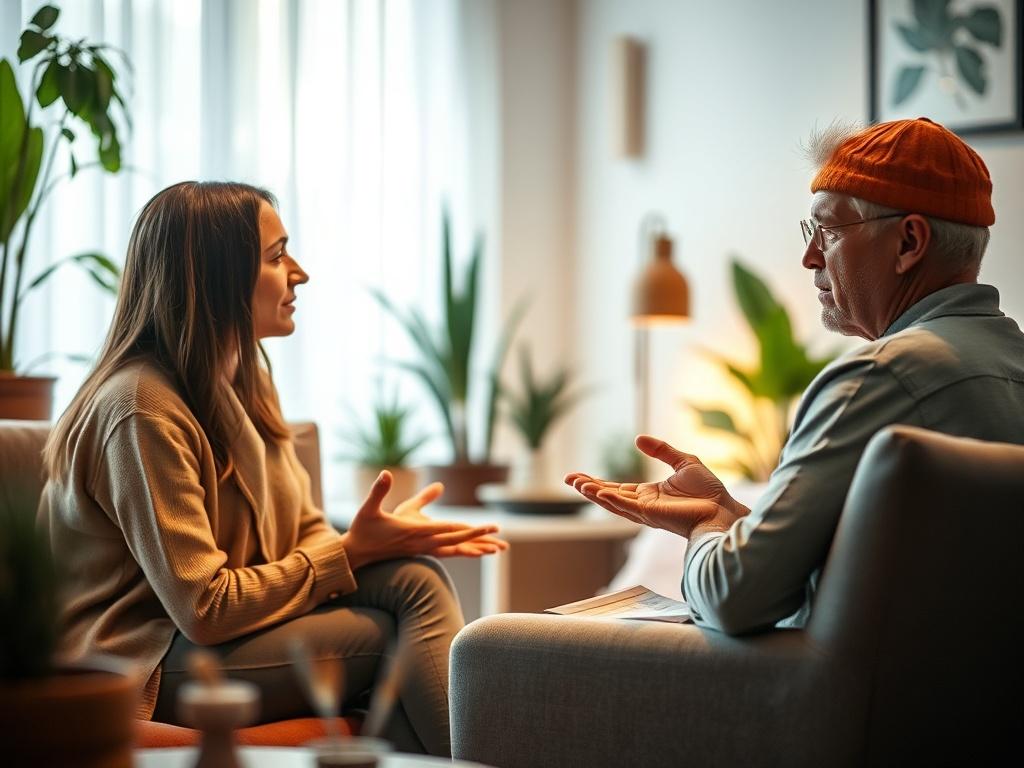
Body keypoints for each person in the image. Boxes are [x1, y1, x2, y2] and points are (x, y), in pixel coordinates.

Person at [38, 181, 507, 755]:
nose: (299, 272)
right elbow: (205, 608)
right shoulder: (142, 408)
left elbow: (302, 527)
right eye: (276, 255)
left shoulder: (244, 380)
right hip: (140, 660)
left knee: (413, 576)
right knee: (395, 636)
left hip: (210, 639)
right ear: (214, 279)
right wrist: (352, 551)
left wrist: (372, 542)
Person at [567, 117, 1024, 635]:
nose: (809, 258)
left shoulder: (878, 379)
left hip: (829, 707)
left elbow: (732, 599)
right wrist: (727, 511)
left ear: (908, 243)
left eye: (826, 232)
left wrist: (703, 525)